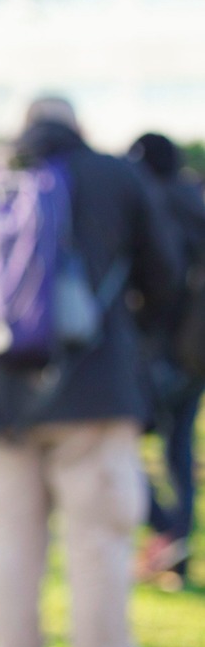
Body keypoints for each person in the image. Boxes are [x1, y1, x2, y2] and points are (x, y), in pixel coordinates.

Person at [0, 98, 181, 647]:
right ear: (78, 123)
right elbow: (166, 276)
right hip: (94, 392)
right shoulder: (113, 175)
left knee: (9, 547)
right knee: (99, 546)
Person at [127, 131, 205, 588]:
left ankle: (164, 533)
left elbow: (159, 281)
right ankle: (177, 550)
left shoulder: (157, 204)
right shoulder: (194, 201)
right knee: (180, 451)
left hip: (163, 351)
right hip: (196, 353)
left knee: (123, 443)